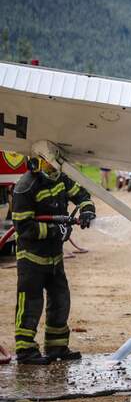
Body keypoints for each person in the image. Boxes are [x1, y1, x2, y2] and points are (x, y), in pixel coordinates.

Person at [11, 156, 95, 364]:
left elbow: (82, 194)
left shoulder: (60, 179)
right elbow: (24, 228)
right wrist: (55, 230)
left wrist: (87, 210)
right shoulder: (25, 187)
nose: (52, 166)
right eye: (47, 162)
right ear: (37, 162)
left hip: (54, 257)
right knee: (30, 303)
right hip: (31, 258)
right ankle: (25, 350)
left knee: (61, 300)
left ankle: (56, 346)